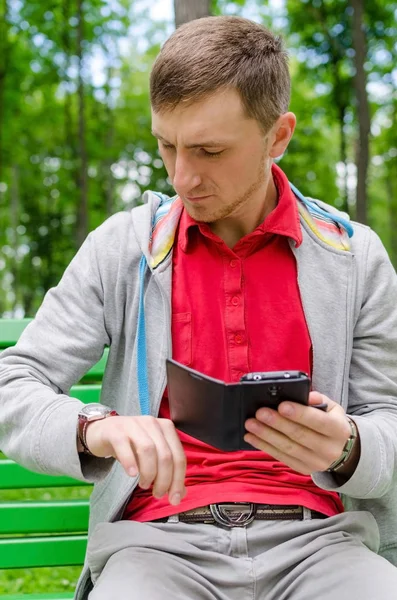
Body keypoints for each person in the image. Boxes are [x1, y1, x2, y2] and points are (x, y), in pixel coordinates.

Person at [1, 15, 397, 600]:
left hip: (321, 544)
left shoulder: (354, 257)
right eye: (167, 146)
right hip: (156, 549)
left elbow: (388, 419)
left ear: (278, 136)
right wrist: (99, 429)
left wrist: (349, 446)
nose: (183, 176)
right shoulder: (122, 248)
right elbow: (12, 383)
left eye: (209, 151)